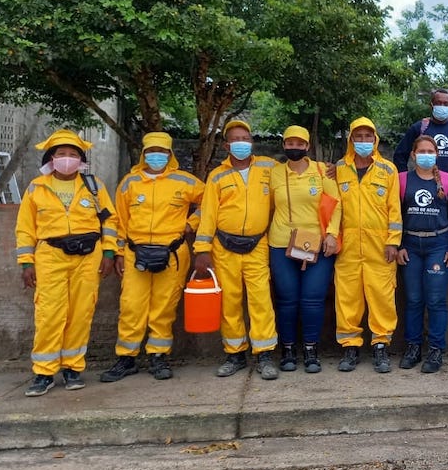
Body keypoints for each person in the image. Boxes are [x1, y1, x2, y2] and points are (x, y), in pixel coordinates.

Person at [15, 130, 118, 396]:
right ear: (51, 158)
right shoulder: (37, 187)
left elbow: (109, 221)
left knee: (81, 313)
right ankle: (44, 372)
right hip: (50, 256)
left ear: (81, 159)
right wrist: (27, 263)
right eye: (61, 154)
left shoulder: (94, 186)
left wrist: (109, 253)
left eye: (73, 154)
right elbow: (25, 229)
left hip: (88, 256)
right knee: (49, 314)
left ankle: (73, 368)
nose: (67, 159)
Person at [100, 132, 204, 383]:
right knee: (131, 306)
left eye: (162, 151)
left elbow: (209, 202)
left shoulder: (185, 181)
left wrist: (192, 222)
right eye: (151, 150)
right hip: (136, 254)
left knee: (164, 307)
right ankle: (126, 358)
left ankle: (158, 356)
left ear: (170, 154)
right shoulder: (129, 182)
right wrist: (119, 253)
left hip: (172, 253)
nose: (156, 155)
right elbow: (119, 221)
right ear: (144, 153)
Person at [194, 120, 279, 380]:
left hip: (257, 244)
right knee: (229, 301)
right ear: (226, 145)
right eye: (236, 139)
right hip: (223, 246)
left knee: (261, 300)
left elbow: (294, 177)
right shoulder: (217, 176)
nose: (242, 143)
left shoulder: (268, 167)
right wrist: (201, 249)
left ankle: (264, 354)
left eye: (246, 138)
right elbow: (208, 214)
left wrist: (327, 169)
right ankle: (235, 354)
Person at [268, 125, 341, 374]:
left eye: (300, 144)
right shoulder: (273, 173)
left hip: (316, 242)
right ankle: (288, 349)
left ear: (307, 146)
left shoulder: (322, 171)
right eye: (290, 143)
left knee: (312, 298)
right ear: (283, 145)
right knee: (287, 299)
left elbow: (336, 204)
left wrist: (331, 234)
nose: (294, 148)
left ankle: (311, 349)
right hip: (281, 242)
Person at [334, 117, 402, 373]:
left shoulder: (388, 170)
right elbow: (332, 206)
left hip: (380, 246)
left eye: (368, 136)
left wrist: (393, 242)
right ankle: (349, 347)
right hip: (348, 247)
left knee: (382, 297)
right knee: (347, 297)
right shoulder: (339, 168)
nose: (363, 141)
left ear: (376, 140)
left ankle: (381, 346)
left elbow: (394, 210)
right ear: (351, 140)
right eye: (358, 136)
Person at [397, 135, 448, 374]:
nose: (426, 154)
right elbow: (394, 216)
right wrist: (399, 245)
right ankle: (413, 347)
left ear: (436, 154)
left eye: (430, 151)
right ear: (413, 155)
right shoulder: (402, 180)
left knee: (436, 300)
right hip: (410, 246)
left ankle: (436, 349)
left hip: (438, 245)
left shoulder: (447, 181)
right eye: (421, 151)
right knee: (414, 300)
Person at [393, 89, 448, 178]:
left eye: (446, 104)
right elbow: (400, 155)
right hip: (423, 184)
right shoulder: (419, 128)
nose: (442, 106)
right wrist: (404, 178)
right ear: (431, 105)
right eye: (438, 103)